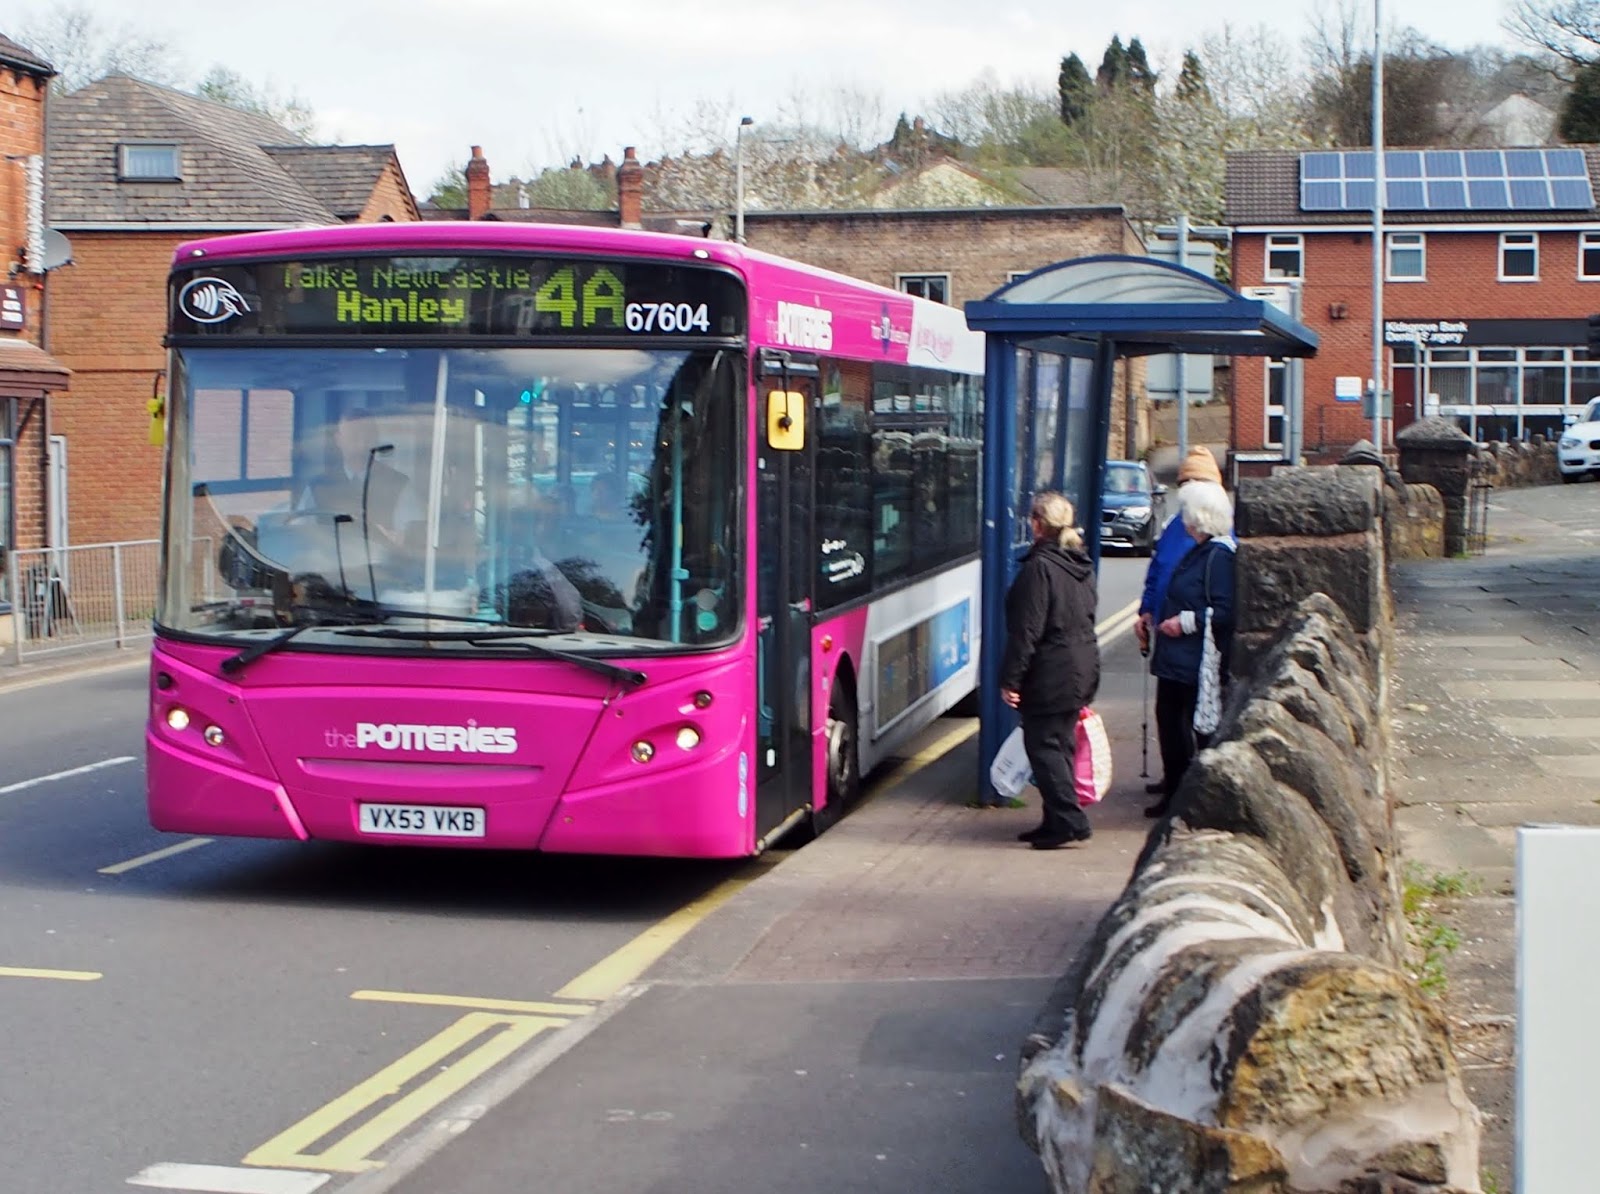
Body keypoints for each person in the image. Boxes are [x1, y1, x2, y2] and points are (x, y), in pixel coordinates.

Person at [1000, 492, 1101, 850]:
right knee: (1061, 746)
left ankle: (1071, 821)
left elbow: (1026, 632)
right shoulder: (1079, 564)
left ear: (1037, 525)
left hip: (1050, 672)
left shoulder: (1038, 569)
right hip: (1079, 668)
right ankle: (1053, 821)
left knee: (1043, 748)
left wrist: (1010, 680)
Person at [1135, 445, 1223, 796]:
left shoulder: (1219, 536)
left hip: (1196, 645)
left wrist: (1186, 622)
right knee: (1168, 718)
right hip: (1168, 638)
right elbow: (1157, 573)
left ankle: (1191, 789)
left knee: (1194, 720)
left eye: (1192, 483)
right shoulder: (1175, 526)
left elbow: (1220, 602)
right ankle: (1174, 782)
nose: (1185, 490)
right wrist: (1146, 611)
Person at [1146, 479, 1236, 819]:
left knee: (1184, 730)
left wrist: (1181, 622)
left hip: (1193, 659)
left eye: (1186, 510)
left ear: (1199, 517)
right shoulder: (1201, 551)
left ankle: (1185, 800)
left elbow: (1224, 611)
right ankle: (1175, 795)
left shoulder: (1219, 557)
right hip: (1177, 658)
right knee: (1172, 727)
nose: (1182, 517)